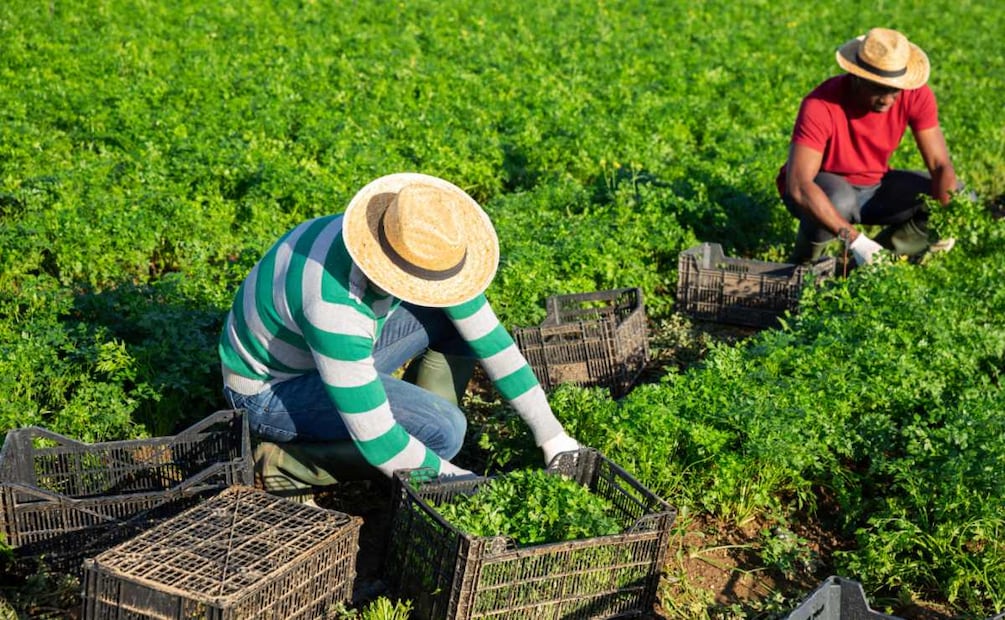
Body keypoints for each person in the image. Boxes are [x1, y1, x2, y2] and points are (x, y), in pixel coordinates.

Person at [218, 172, 580, 504]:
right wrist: (467, 487)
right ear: (392, 267)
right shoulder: (334, 308)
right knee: (444, 431)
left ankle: (425, 454)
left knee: (455, 324)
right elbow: (379, 442)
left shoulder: (413, 247)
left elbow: (491, 341)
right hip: (270, 391)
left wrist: (553, 437)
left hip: (318, 355)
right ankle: (286, 464)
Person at [777, 27, 961, 266]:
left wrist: (946, 218)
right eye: (877, 89)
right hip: (826, 189)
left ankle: (874, 264)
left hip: (875, 188)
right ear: (856, 76)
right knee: (838, 198)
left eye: (894, 90)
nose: (887, 100)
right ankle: (802, 268)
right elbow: (799, 186)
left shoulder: (915, 95)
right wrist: (856, 241)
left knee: (959, 194)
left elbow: (940, 165)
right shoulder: (821, 104)